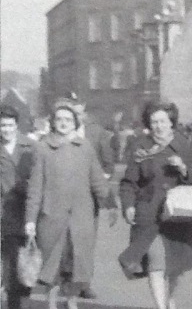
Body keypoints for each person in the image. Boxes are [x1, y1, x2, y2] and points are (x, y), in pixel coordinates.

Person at [25, 100, 110, 309]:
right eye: (59, 119)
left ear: (75, 122)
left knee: (78, 264)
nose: (63, 123)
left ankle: (71, 302)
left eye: (68, 119)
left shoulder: (86, 147)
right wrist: (30, 220)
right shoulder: (43, 148)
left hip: (81, 218)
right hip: (52, 217)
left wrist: (111, 205)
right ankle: (52, 303)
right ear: (53, 122)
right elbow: (35, 187)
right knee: (54, 265)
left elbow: (97, 179)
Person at [119, 101, 192, 309]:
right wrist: (128, 205)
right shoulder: (141, 146)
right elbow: (129, 182)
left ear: (171, 122)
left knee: (176, 269)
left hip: (178, 215)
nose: (158, 126)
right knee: (156, 265)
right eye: (154, 121)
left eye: (162, 121)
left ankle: (170, 300)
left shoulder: (183, 144)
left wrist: (183, 168)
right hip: (149, 215)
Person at [60, 92, 117, 299]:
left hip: (89, 198)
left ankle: (84, 283)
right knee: (65, 240)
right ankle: (66, 281)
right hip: (64, 197)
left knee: (85, 240)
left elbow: (108, 163)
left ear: (83, 111)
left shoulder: (97, 133)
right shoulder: (59, 133)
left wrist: (102, 178)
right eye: (69, 112)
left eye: (77, 111)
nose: (74, 116)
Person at [0, 104, 35, 309]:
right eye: (2, 125)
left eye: (10, 125)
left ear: (16, 125)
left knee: (24, 267)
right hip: (3, 214)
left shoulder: (30, 146)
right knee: (10, 266)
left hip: (26, 213)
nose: (6, 129)